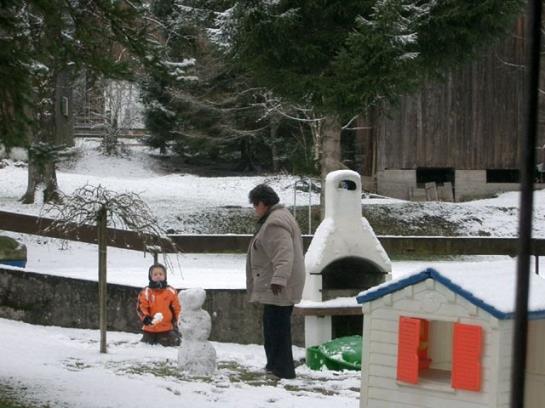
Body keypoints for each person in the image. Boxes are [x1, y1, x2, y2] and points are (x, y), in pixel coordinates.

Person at [246, 184, 306, 379]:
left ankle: (283, 369)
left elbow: (284, 254)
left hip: (278, 286)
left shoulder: (274, 222)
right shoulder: (279, 216)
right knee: (272, 326)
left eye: (255, 204)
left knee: (277, 328)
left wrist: (279, 279)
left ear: (263, 203)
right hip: (276, 284)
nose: (254, 208)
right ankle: (274, 365)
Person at [136, 263, 182, 346]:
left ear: (165, 276)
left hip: (167, 328)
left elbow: (177, 308)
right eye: (155, 274)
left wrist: (179, 320)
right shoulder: (146, 292)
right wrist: (146, 317)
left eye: (161, 274)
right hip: (149, 328)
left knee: (172, 343)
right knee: (146, 346)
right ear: (151, 277)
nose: (158, 276)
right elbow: (141, 307)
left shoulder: (171, 291)